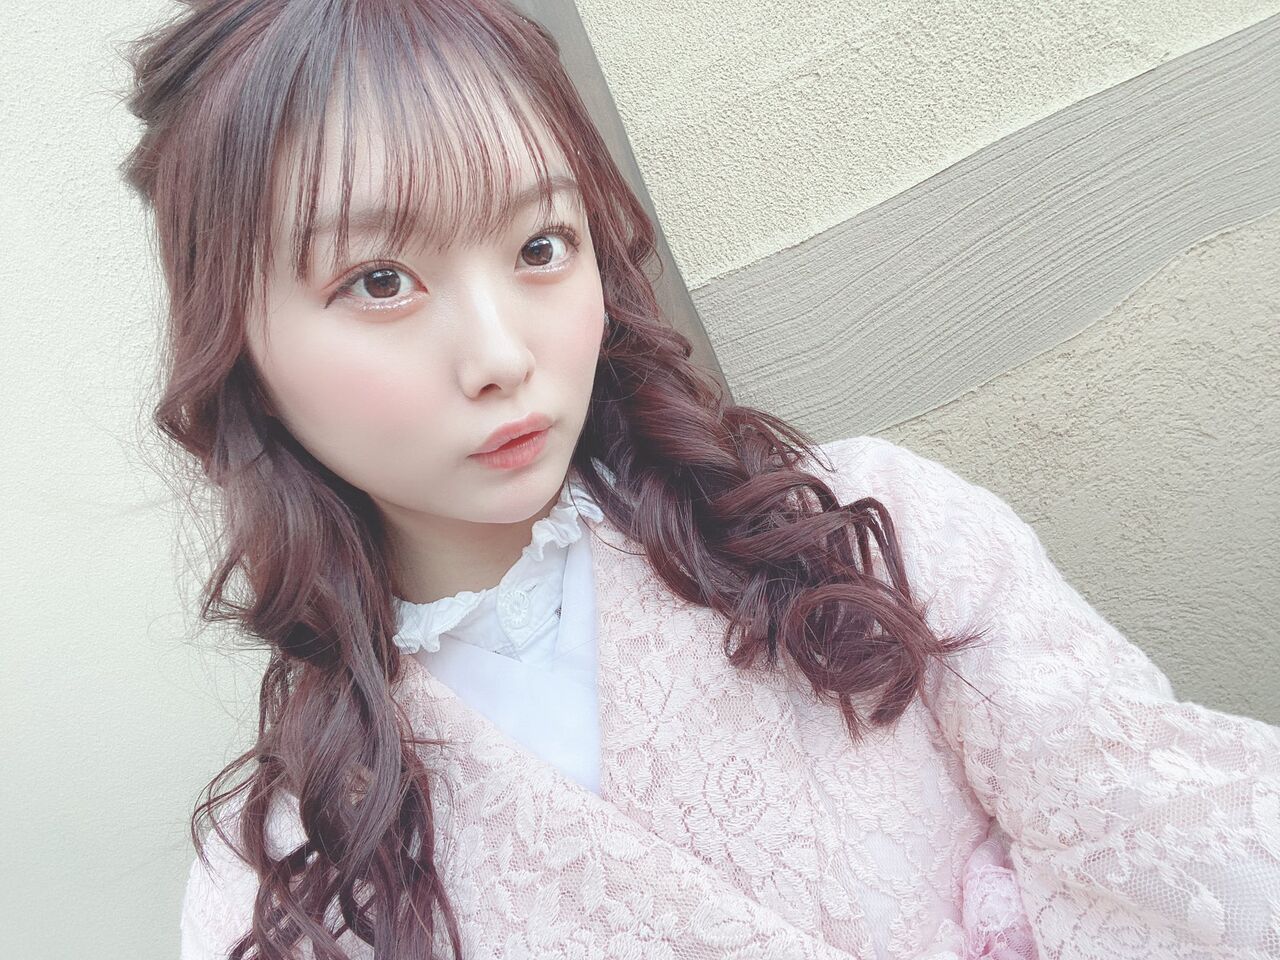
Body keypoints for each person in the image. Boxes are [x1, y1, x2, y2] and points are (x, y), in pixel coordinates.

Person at [117, 1, 1280, 958]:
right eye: (380, 280)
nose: (501, 356)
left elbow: (1192, 873)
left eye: (538, 246)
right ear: (239, 343)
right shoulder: (280, 879)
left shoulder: (863, 536)